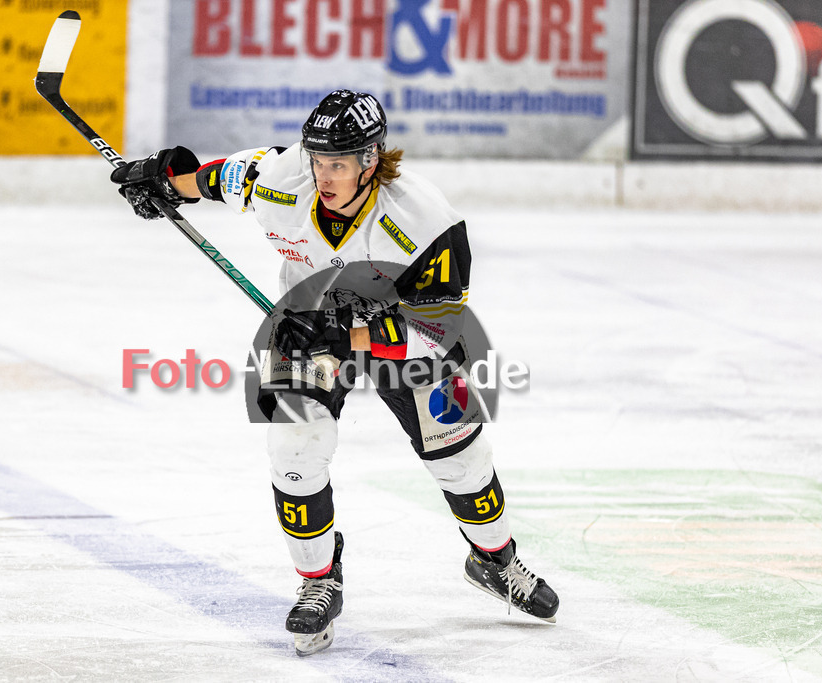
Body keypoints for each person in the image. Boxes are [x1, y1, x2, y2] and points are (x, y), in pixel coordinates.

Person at [111, 90, 558, 656]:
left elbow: (440, 328)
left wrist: (346, 337)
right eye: (318, 160)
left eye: (339, 164)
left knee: (462, 456)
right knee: (294, 449)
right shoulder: (282, 177)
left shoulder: (424, 219)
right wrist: (164, 182)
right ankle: (318, 582)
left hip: (403, 334)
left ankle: (495, 561)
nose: (323, 175)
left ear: (371, 161)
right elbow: (218, 178)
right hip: (306, 324)